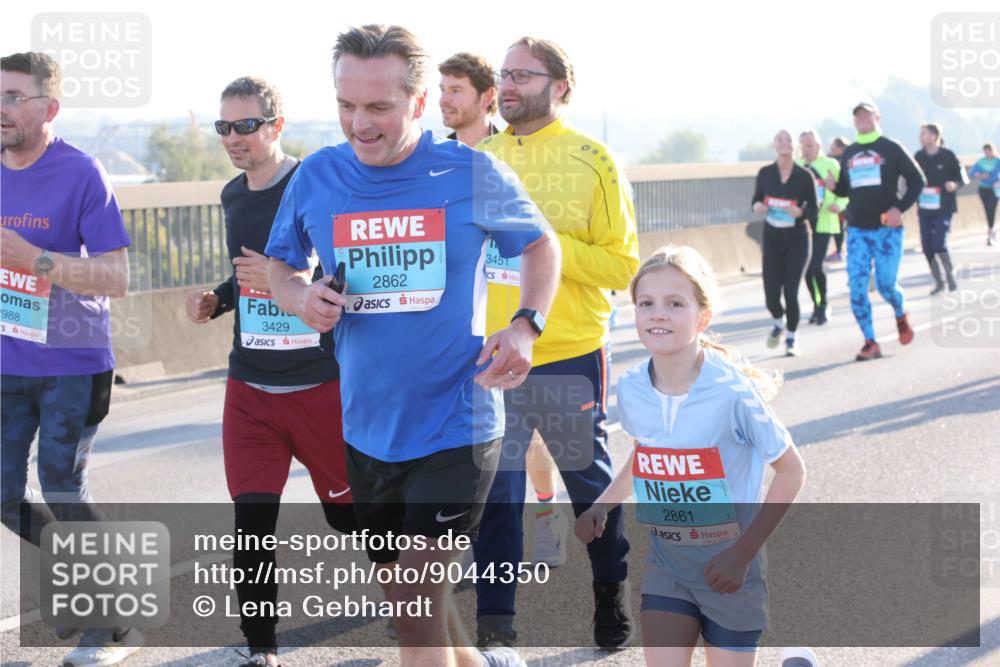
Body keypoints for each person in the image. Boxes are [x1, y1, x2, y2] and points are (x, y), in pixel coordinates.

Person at [263, 24, 561, 667]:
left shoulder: (471, 172)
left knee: (413, 615)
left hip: (458, 422)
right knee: (414, 595)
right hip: (367, 429)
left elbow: (540, 245)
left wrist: (525, 325)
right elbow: (280, 266)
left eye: (379, 107)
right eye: (346, 105)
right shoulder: (317, 176)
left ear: (420, 103)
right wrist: (299, 298)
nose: (358, 124)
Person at [184, 76, 362, 667]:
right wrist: (219, 297)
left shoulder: (314, 184)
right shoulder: (233, 195)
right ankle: (262, 648)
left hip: (317, 385)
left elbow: (347, 275)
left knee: (348, 516)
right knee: (251, 523)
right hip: (250, 388)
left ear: (276, 125)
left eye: (246, 126)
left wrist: (292, 284)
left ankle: (418, 598)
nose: (234, 139)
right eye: (224, 128)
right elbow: (248, 274)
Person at [473, 36, 640, 650]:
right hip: (493, 356)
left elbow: (624, 266)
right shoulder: (480, 156)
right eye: (503, 74)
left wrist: (544, 245)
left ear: (561, 86)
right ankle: (497, 631)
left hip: (568, 348)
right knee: (496, 491)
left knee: (588, 485)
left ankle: (609, 592)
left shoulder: (592, 159)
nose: (508, 84)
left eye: (523, 74)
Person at [575, 245, 808, 667]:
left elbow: (791, 470)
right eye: (646, 303)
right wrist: (602, 505)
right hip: (668, 566)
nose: (657, 314)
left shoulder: (733, 393)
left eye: (674, 303)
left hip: (730, 570)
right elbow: (646, 454)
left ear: (703, 317)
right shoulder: (630, 387)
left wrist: (742, 553)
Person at [0, 52, 140, 665]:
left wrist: (36, 259)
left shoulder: (82, 172)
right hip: (8, 359)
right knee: (4, 496)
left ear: (48, 108)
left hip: (74, 363)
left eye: (12, 97)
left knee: (61, 483)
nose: (0, 109)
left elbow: (116, 276)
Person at [438, 52, 564, 571]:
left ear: (486, 97)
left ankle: (545, 513)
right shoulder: (436, 160)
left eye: (456, 90)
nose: (445, 100)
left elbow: (538, 239)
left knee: (525, 437)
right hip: (459, 317)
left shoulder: (511, 156)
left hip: (514, 313)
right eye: (440, 89)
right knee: (469, 439)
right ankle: (473, 534)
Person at [826, 102, 925, 362]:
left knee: (885, 285)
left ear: (876, 117)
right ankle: (870, 341)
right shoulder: (850, 153)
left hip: (887, 231)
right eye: (857, 116)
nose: (862, 119)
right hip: (857, 229)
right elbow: (847, 190)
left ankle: (900, 312)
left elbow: (918, 181)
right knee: (857, 288)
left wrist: (899, 209)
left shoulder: (891, 148)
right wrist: (834, 188)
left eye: (866, 115)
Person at [751, 130, 817, 357]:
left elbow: (814, 210)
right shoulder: (766, 173)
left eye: (788, 139)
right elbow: (756, 201)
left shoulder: (804, 175)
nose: (784, 143)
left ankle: (791, 338)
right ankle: (779, 322)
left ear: (794, 146)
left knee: (791, 291)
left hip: (797, 239)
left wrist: (801, 212)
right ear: (774, 145)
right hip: (772, 239)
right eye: (780, 139)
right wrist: (758, 207)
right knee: (771, 295)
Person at [913, 123, 967, 294]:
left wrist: (955, 184)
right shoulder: (918, 156)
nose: (920, 137)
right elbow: (910, 178)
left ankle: (950, 275)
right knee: (927, 247)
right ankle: (938, 281)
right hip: (925, 208)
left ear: (934, 136)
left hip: (944, 207)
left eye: (924, 133)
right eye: (920, 134)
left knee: (939, 244)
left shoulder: (948, 155)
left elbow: (962, 177)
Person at [799, 129, 846, 325]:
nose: (806, 150)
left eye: (810, 145)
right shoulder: (798, 166)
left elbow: (845, 190)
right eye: (803, 146)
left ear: (818, 146)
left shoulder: (830, 164)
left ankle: (824, 305)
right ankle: (817, 304)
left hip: (825, 220)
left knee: (816, 266)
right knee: (807, 270)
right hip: (804, 224)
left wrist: (839, 205)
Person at [439, 52, 500, 146]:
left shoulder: (512, 155)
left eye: (455, 91)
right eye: (442, 90)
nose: (443, 100)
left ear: (488, 96)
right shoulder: (436, 158)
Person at [968, 141, 1000, 246]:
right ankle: (991, 230)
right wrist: (980, 175)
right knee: (987, 210)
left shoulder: (998, 161)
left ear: (992, 151)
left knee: (991, 209)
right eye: (984, 152)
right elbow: (971, 173)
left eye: (988, 151)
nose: (986, 153)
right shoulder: (981, 162)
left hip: (995, 190)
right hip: (983, 189)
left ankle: (990, 233)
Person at [826, 136, 850, 261]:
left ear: (840, 148)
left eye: (833, 147)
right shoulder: (828, 159)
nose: (831, 149)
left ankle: (844, 249)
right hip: (835, 196)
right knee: (838, 225)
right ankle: (838, 250)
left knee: (848, 225)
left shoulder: (848, 158)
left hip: (847, 198)